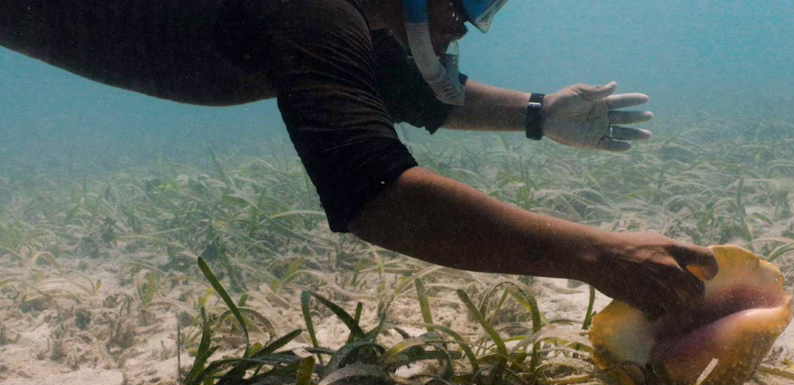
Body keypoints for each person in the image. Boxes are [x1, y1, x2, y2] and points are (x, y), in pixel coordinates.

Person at [0, 0, 718, 319]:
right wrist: (597, 254)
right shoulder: (312, 11)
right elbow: (376, 193)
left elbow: (409, 89)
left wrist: (537, 113)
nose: (463, 24)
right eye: (462, 3)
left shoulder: (341, 19)